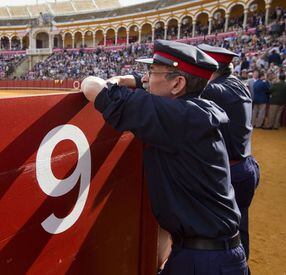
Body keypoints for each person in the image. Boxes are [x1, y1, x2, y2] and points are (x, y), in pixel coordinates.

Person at [81, 40, 246, 274]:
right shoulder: (193, 112)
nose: (145, 78)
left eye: (152, 71)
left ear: (178, 83)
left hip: (204, 262)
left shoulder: (178, 117)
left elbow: (92, 87)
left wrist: (113, 81)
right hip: (206, 253)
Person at [197, 44, 261, 266]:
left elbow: (177, 87)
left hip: (230, 173)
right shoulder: (237, 84)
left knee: (219, 236)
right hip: (245, 167)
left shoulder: (214, 90)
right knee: (239, 228)